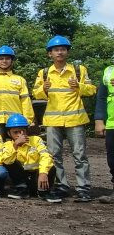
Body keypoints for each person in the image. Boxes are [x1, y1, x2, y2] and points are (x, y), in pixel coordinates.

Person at [33, 36, 96, 202]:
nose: (59, 52)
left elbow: (91, 90)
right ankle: (62, 186)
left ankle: (83, 189)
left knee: (80, 155)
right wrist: (43, 89)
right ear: (50, 54)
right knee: (54, 156)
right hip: (53, 121)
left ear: (67, 52)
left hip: (75, 119)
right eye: (56, 50)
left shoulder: (79, 70)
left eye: (62, 49)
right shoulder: (44, 73)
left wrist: (79, 86)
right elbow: (36, 94)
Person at [0, 114, 57, 202]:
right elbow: (7, 161)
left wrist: (43, 173)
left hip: (37, 176)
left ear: (27, 130)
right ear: (9, 133)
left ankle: (44, 191)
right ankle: (22, 189)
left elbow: (46, 156)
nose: (20, 135)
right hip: (22, 178)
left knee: (51, 167)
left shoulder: (36, 140)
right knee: (9, 162)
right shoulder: (8, 145)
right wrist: (15, 145)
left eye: (22, 131)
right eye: (15, 132)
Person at [0, 46, 34, 137]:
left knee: (19, 144)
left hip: (16, 121)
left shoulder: (20, 79)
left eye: (7, 58)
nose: (4, 61)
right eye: (1, 59)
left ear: (12, 61)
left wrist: (28, 119)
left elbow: (25, 101)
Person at [94, 59, 114, 192]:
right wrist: (99, 119)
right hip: (111, 123)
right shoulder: (109, 71)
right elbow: (101, 97)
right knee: (112, 158)